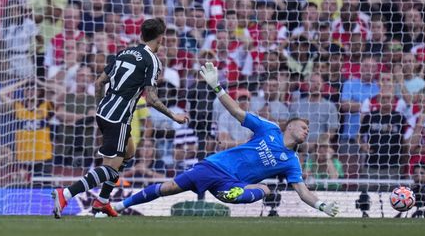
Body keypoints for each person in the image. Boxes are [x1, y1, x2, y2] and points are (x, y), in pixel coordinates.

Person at [112, 62, 339, 217]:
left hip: (233, 184)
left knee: (266, 190)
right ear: (290, 126)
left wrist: (321, 205)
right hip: (215, 166)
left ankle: (232, 194)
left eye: (308, 129)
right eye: (303, 126)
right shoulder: (269, 129)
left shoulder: (292, 161)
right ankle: (120, 205)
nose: (306, 130)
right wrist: (216, 86)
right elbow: (237, 112)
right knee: (169, 187)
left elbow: (302, 191)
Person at [51, 18, 189, 219]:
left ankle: (103, 201)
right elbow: (151, 98)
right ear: (161, 39)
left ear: (141, 35)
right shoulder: (152, 61)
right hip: (119, 118)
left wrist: (101, 107)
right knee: (109, 168)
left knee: (129, 153)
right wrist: (174, 116)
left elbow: (99, 83)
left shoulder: (123, 53)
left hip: (104, 112)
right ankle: (66, 193)